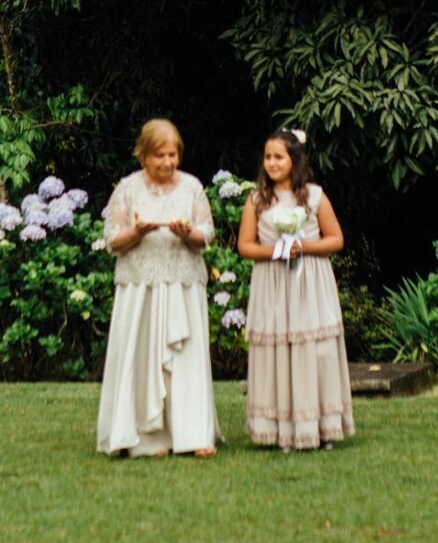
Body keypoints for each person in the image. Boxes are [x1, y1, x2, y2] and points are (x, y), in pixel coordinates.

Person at [97, 118, 220, 457]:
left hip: (183, 283)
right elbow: (113, 241)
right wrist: (137, 232)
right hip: (140, 285)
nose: (167, 162)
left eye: (172, 155)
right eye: (159, 156)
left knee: (185, 359)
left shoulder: (191, 187)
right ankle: (146, 438)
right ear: (143, 156)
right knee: (141, 358)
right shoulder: (127, 188)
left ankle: (192, 435)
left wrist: (187, 233)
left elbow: (206, 234)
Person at [237, 130, 354, 451]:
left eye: (279, 157)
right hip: (272, 283)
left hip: (309, 282)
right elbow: (245, 246)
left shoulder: (314, 196)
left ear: (295, 160)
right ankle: (278, 429)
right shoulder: (257, 200)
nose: (272, 163)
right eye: (268, 157)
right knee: (276, 350)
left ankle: (321, 426)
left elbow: (335, 239)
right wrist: (277, 251)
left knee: (314, 349)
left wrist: (303, 246)